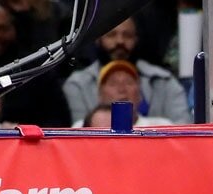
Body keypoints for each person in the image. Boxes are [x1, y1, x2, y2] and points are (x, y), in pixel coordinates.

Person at [61, 18, 189, 125]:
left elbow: (184, 136)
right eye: (111, 35)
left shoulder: (164, 83)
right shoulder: (77, 84)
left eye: (127, 35)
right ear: (99, 94)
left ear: (140, 93)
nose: (120, 41)